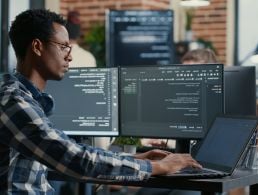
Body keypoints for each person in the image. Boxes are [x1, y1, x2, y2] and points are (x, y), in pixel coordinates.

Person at [0, 9, 201, 194]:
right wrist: (158, 166)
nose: (69, 56)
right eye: (63, 47)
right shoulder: (13, 102)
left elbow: (70, 151)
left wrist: (134, 159)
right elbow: (75, 159)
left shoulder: (28, 99)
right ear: (37, 47)